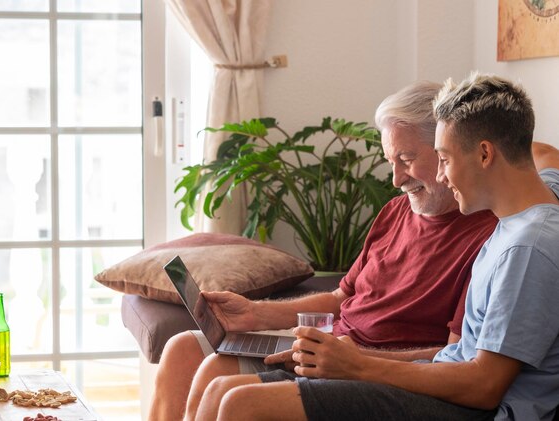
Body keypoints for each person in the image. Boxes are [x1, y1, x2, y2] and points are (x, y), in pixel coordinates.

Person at [192, 73, 559, 421]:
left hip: (470, 408)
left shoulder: (524, 250)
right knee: (223, 392)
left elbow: (483, 387)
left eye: (444, 159)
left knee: (242, 402)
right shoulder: (531, 203)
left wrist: (359, 366)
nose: (443, 176)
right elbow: (539, 155)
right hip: (440, 375)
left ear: (484, 155)